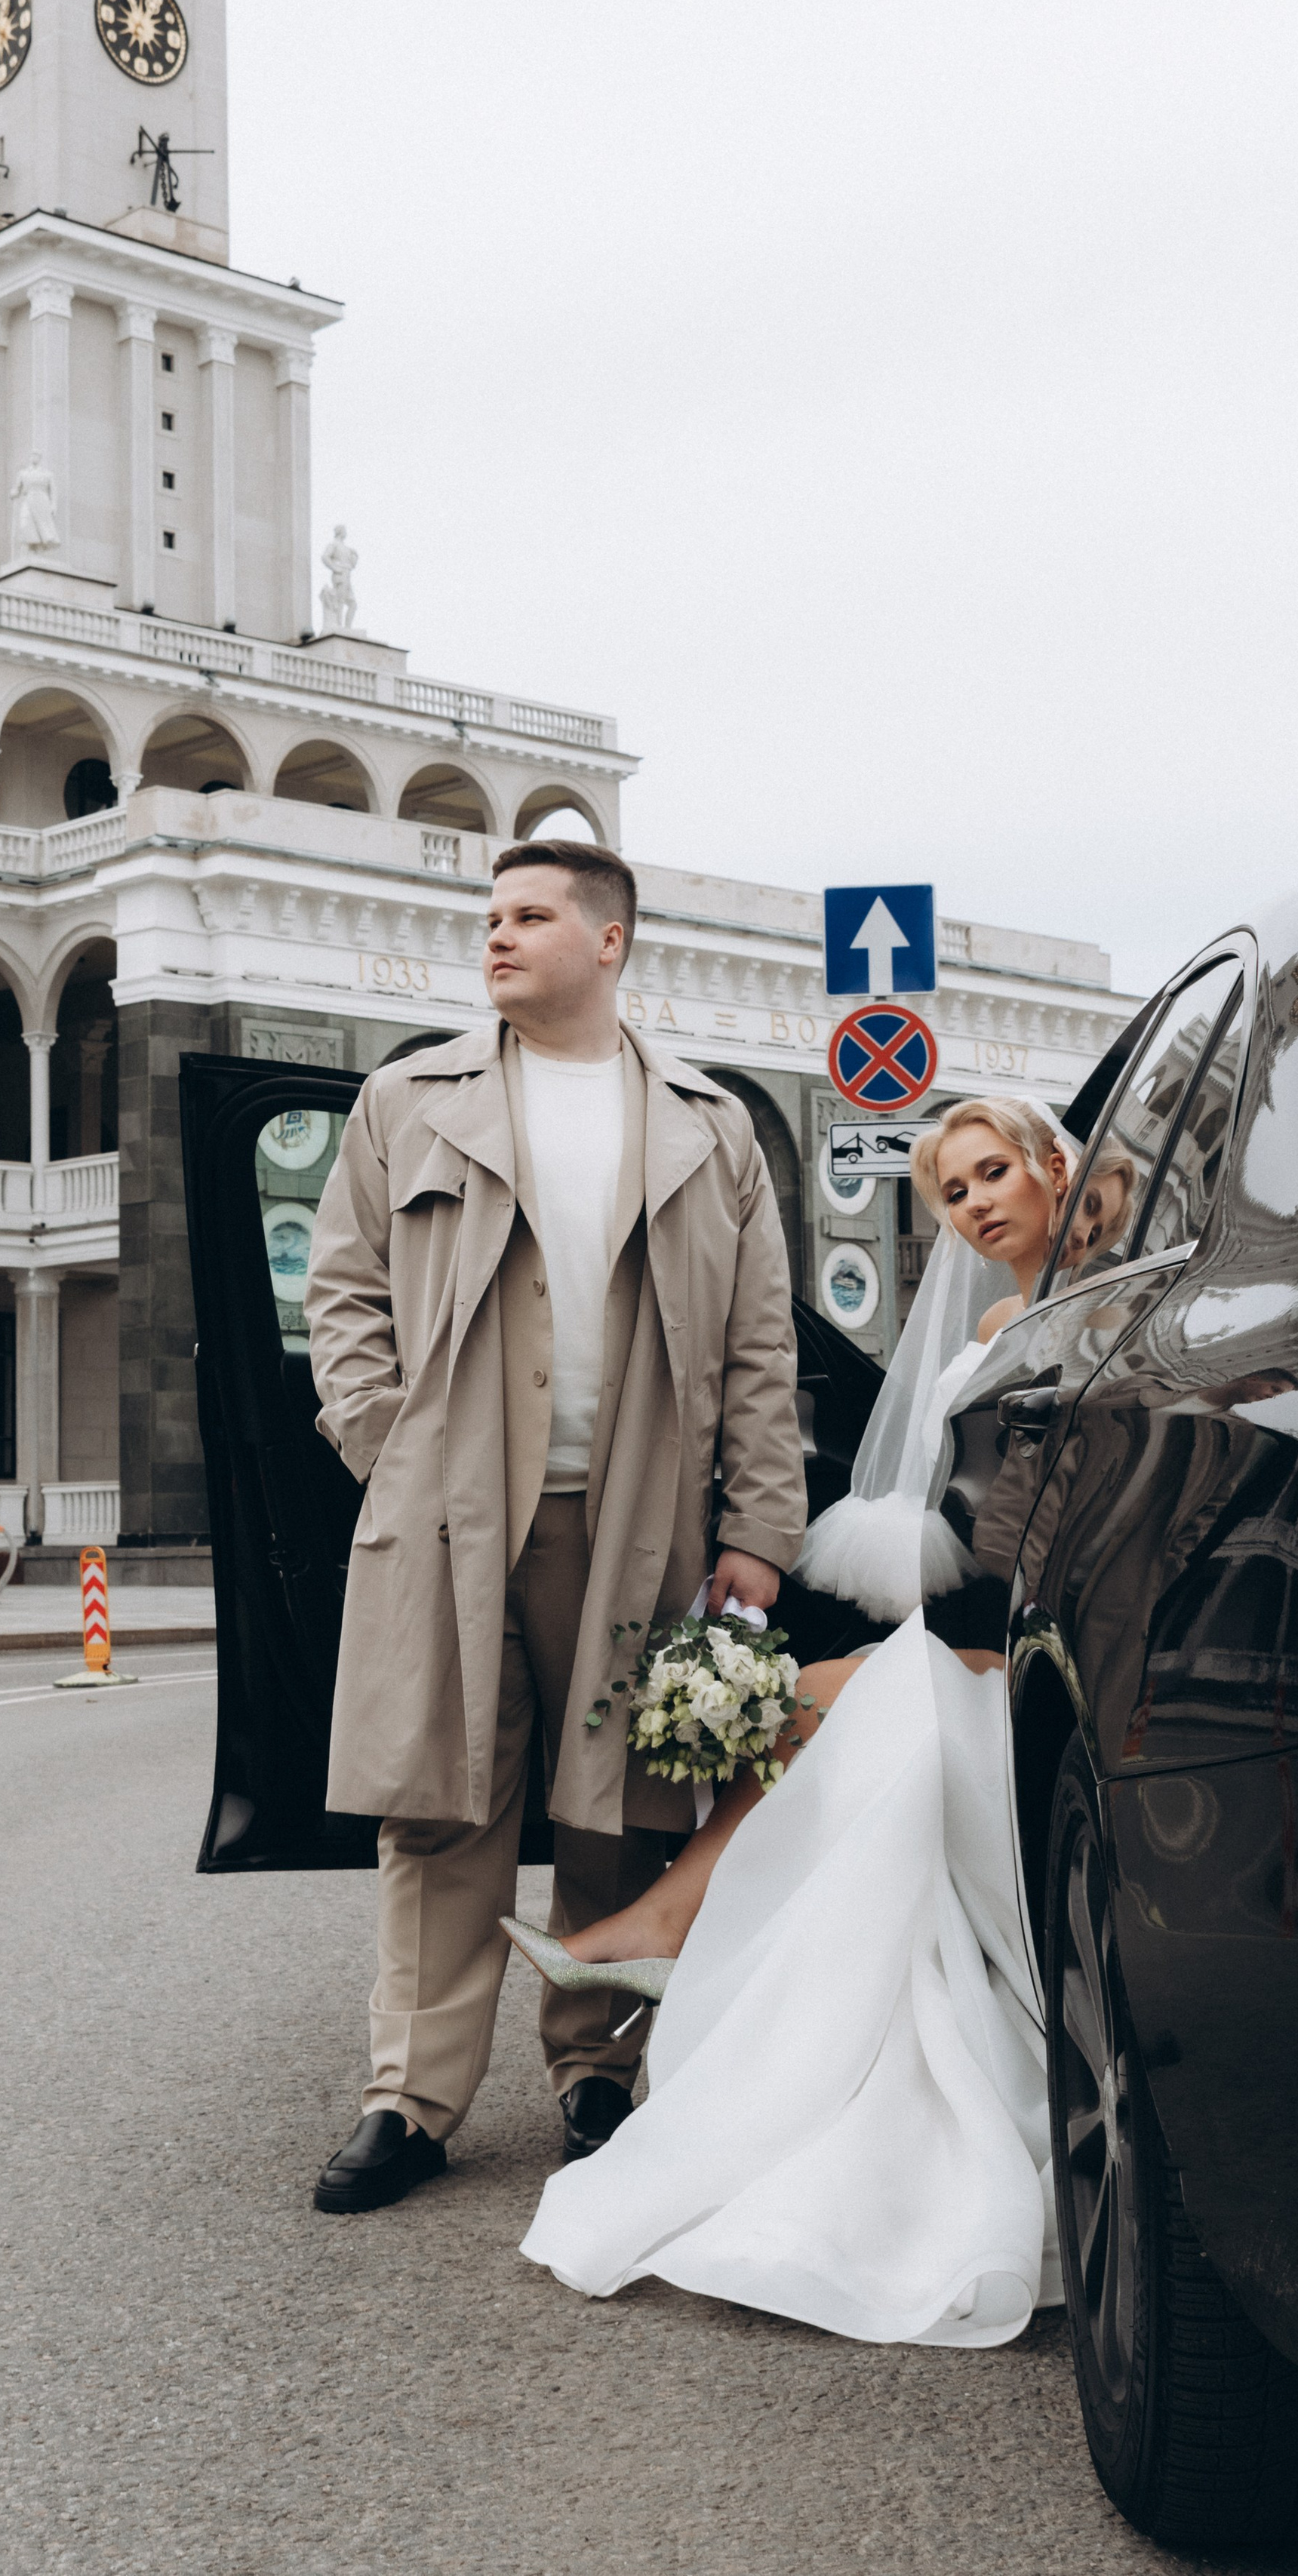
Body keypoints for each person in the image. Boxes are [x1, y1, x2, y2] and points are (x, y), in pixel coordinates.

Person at [509, 1096, 1081, 2349]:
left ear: (1054, 1168)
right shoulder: (995, 1323)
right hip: (999, 1640)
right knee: (819, 1699)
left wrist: (972, 1637)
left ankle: (666, 1924)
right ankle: (669, 1930)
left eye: (994, 1173)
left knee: (846, 1702)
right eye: (953, 1192)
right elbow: (977, 1520)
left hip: (1063, 1659)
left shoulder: (1106, 1323)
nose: (978, 1202)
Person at [302, 839, 809, 2215]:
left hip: (641, 1521)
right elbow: (340, 1295)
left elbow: (764, 1347)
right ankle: (411, 2099)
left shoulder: (712, 1125)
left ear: (610, 941)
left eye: (529, 916)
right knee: (438, 1811)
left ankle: (600, 2077)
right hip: (452, 1514)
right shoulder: (409, 1098)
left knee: (621, 1814)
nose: (498, 938)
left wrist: (761, 1525)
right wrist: (387, 1448)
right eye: (490, 918)